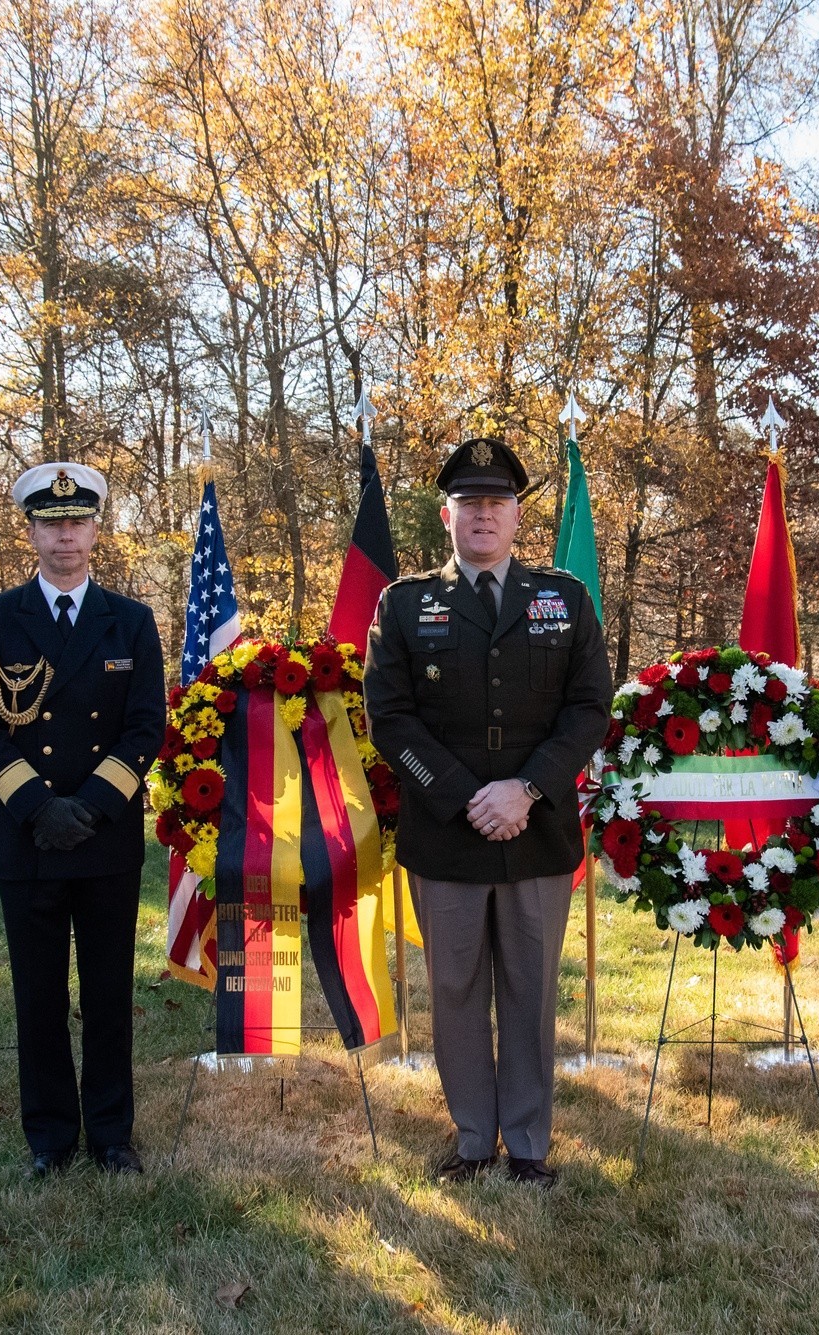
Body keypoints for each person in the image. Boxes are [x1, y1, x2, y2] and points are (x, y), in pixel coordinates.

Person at [364, 437, 612, 1188]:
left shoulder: (564, 598)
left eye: (497, 502)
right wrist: (465, 796)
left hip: (537, 833)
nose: (483, 515)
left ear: (516, 516)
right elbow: (390, 719)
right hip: (448, 837)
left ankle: (529, 1142)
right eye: (469, 503)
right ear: (448, 515)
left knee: (532, 990)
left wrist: (525, 790)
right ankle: (474, 1138)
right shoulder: (405, 604)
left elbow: (589, 708)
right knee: (457, 988)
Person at [0, 462, 166, 1177]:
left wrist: (92, 806)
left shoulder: (132, 622)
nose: (65, 535)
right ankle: (50, 1138)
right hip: (28, 840)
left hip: (104, 839)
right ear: (32, 531)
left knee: (109, 994)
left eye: (77, 522)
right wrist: (40, 807)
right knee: (39, 996)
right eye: (52, 523)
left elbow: (146, 729)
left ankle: (111, 1135)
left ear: (96, 531)